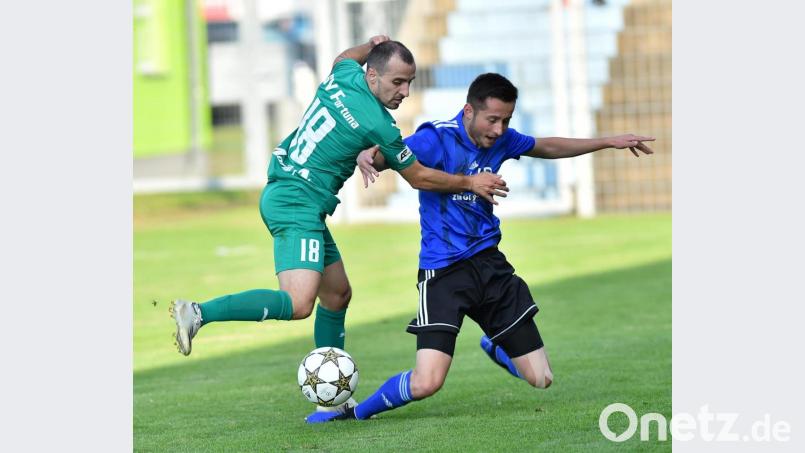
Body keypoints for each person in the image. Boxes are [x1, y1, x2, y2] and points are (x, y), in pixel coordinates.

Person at [169, 38, 509, 409]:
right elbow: (419, 177)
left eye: (409, 82)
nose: (405, 92)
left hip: (296, 196)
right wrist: (470, 182)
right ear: (373, 75)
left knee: (336, 295)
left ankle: (330, 402)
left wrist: (370, 44)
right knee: (299, 303)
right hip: (296, 202)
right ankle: (198, 313)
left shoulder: (344, 75)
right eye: (397, 82)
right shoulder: (379, 124)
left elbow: (345, 57)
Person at [305, 72, 654, 423]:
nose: (500, 130)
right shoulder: (436, 138)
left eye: (507, 121)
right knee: (427, 382)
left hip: (490, 268)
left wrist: (608, 142)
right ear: (469, 111)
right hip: (444, 272)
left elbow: (545, 146)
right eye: (493, 119)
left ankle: (497, 347)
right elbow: (392, 157)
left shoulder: (500, 140)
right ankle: (355, 414)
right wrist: (370, 155)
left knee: (542, 378)